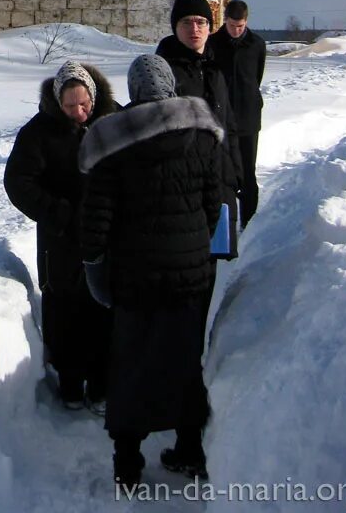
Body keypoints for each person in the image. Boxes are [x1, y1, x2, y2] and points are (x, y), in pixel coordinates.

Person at [79, 54, 223, 490]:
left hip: (134, 276)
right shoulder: (201, 133)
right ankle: (189, 449)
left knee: (130, 364)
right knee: (184, 360)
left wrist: (94, 266)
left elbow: (96, 220)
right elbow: (213, 204)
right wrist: (195, 246)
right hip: (189, 273)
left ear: (134, 91)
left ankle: (127, 462)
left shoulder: (112, 141)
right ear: (171, 86)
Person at [4, 59, 117, 412]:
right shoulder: (39, 132)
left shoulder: (113, 121)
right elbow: (18, 182)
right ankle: (70, 382)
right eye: (70, 107)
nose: (80, 113)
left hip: (106, 236)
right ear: (58, 102)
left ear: (94, 97)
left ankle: (101, 384)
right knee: (65, 311)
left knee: (105, 309)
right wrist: (59, 213)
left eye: (85, 105)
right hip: (61, 241)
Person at [156, 0, 243, 260]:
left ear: (209, 26)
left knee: (211, 264)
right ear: (175, 27)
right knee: (186, 265)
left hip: (220, 184)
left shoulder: (215, 70)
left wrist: (235, 172)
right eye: (186, 23)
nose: (194, 29)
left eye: (200, 22)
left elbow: (228, 124)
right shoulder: (164, 73)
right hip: (184, 192)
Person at [208, 0, 266, 229]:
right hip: (221, 118)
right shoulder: (213, 43)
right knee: (223, 173)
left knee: (248, 174)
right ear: (225, 21)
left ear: (246, 22)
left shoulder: (257, 44)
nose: (236, 30)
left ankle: (248, 224)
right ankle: (224, 224)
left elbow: (257, 77)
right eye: (232, 25)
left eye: (240, 26)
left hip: (248, 117)